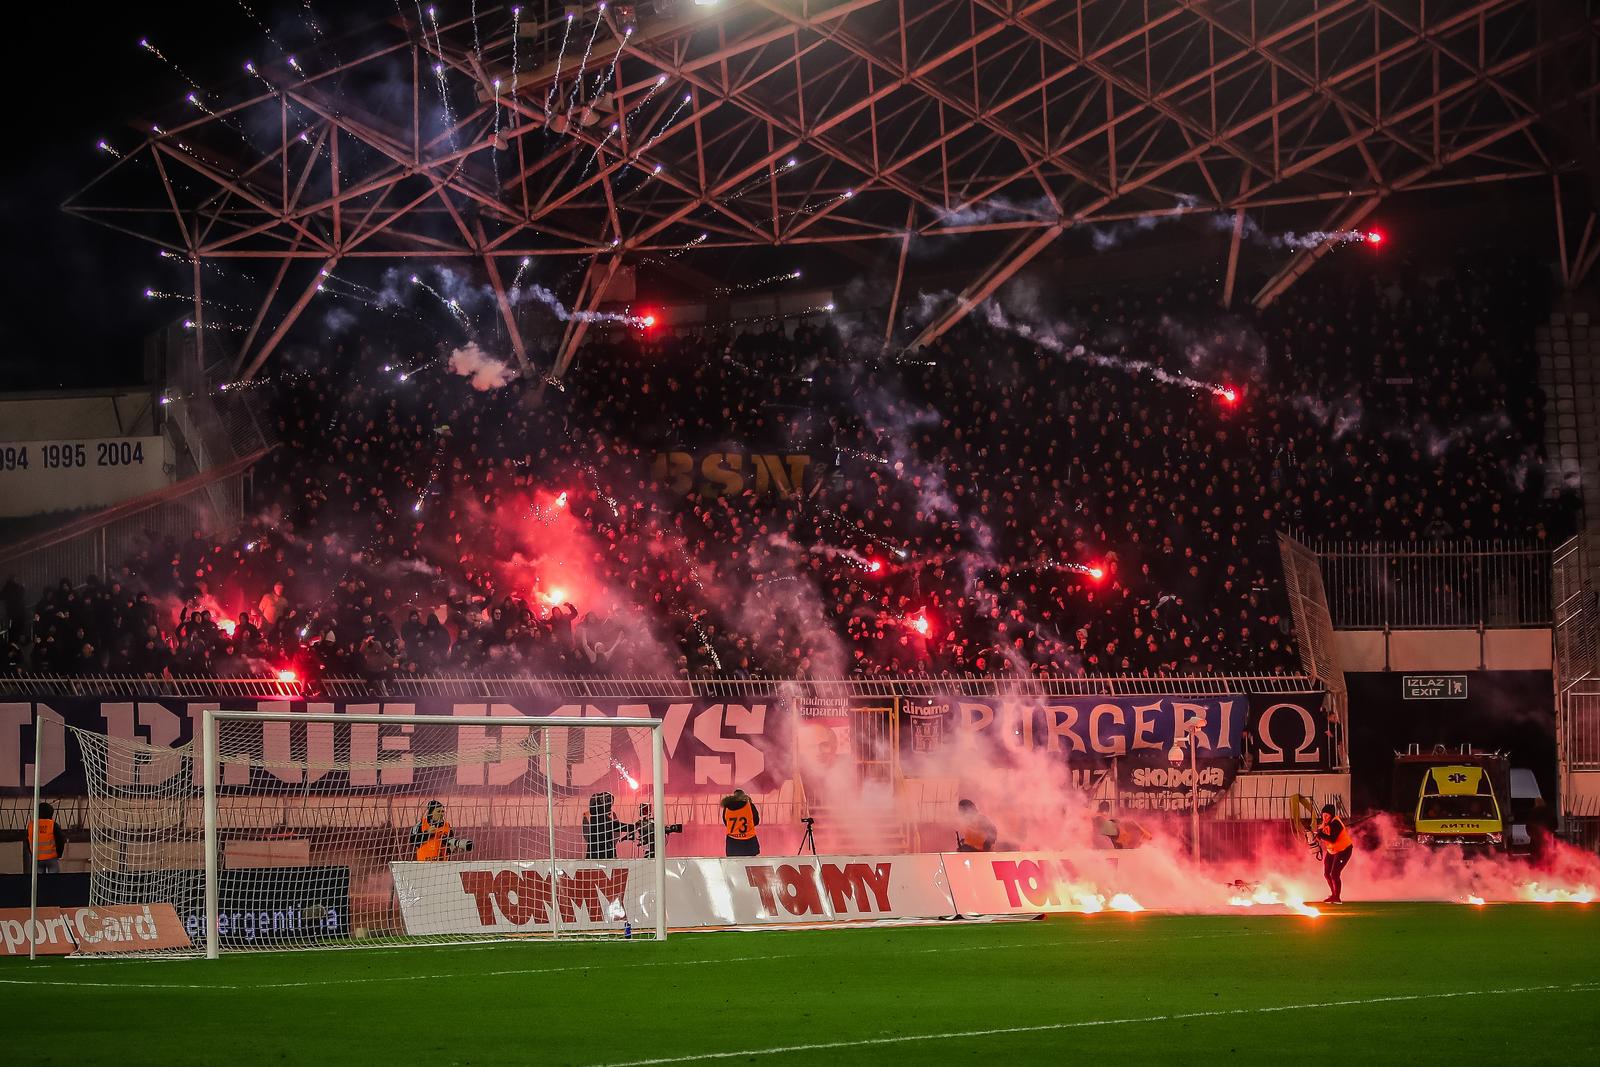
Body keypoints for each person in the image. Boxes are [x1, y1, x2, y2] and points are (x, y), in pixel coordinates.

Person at [1314, 804, 1354, 903]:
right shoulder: (1324, 824)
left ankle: (1337, 897)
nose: (1325, 817)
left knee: (1335, 873)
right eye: (1323, 815)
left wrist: (1320, 834)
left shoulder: (1336, 823)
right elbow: (1321, 836)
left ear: (1331, 815)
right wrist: (1316, 836)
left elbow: (1332, 839)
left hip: (1343, 850)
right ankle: (1333, 895)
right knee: (1327, 873)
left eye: (1327, 815)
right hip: (1332, 851)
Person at [584, 792, 629, 859]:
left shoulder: (597, 817)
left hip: (595, 854)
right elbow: (615, 827)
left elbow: (616, 827)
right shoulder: (601, 818)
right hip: (602, 855)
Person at [25, 801, 64, 874]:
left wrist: (32, 853)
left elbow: (27, 841)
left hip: (37, 858)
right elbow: (60, 840)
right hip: (51, 857)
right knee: (54, 880)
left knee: (39, 881)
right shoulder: (53, 825)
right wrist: (59, 854)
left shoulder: (31, 825)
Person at [721, 788, 761, 857]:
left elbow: (726, 822)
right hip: (749, 842)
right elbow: (756, 821)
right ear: (744, 796)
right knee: (750, 864)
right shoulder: (749, 806)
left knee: (734, 864)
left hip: (732, 843)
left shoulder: (726, 807)